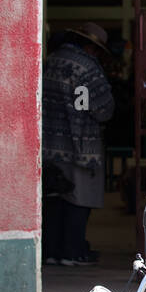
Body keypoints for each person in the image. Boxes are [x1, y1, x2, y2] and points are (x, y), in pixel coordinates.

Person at [42, 22, 115, 266]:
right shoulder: (88, 68)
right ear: (92, 48)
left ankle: (51, 251)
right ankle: (73, 252)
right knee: (80, 198)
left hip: (49, 144)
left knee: (53, 197)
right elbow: (103, 109)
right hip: (81, 145)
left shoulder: (51, 60)